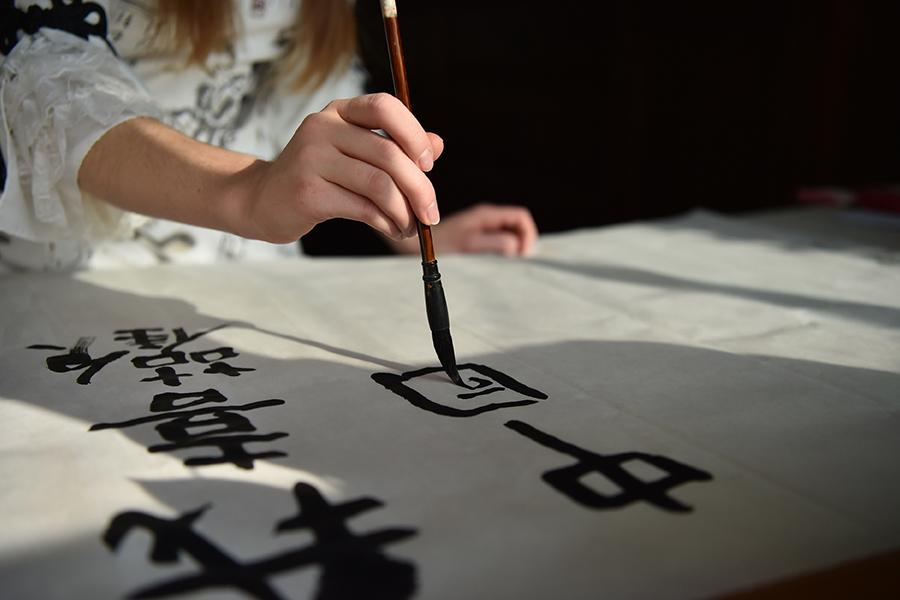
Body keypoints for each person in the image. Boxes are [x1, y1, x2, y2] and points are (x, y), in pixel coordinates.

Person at [0, 0, 537, 272]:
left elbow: (308, 97)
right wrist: (250, 191)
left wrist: (403, 221)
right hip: (86, 279)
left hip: (261, 280)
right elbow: (51, 94)